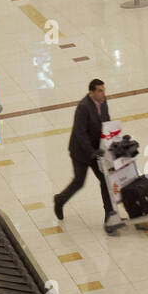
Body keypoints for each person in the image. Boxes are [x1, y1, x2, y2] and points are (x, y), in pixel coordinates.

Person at [52, 79, 116, 225]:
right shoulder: (83, 107)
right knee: (79, 181)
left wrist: (110, 140)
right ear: (91, 92)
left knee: (105, 180)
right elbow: (80, 133)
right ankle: (59, 200)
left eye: (103, 90)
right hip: (81, 152)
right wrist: (92, 152)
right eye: (100, 91)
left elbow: (106, 122)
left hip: (96, 150)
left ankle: (109, 214)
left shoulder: (103, 102)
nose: (103, 93)